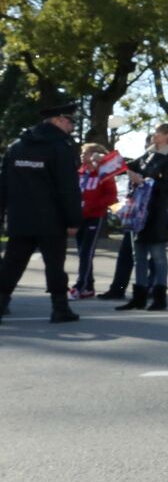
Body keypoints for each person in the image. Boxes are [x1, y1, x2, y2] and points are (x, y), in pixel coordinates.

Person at [0, 99, 82, 324]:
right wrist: (74, 219)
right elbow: (68, 188)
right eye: (69, 121)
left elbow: (3, 185)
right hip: (50, 219)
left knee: (12, 264)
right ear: (57, 120)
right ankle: (60, 309)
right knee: (55, 265)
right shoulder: (60, 148)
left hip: (20, 218)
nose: (71, 127)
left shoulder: (16, 146)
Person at [115, 123, 168, 312]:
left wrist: (143, 181)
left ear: (167, 136)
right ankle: (139, 298)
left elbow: (166, 186)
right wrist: (110, 160)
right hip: (139, 212)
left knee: (158, 256)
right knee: (139, 257)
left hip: (156, 213)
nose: (154, 135)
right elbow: (128, 166)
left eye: (158, 132)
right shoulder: (148, 154)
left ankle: (160, 298)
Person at [71, 143, 119, 299]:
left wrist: (90, 205)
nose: (81, 156)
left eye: (85, 153)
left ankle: (80, 286)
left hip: (94, 217)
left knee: (86, 253)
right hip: (79, 218)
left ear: (94, 156)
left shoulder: (104, 174)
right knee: (82, 253)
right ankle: (89, 287)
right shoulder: (79, 173)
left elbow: (112, 197)